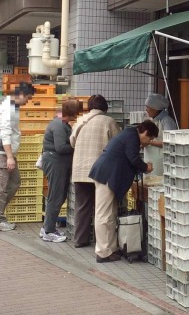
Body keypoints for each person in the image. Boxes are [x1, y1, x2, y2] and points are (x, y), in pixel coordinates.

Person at [88, 120, 158, 263]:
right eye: (149, 138)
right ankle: (102, 252)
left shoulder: (129, 134)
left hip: (108, 175)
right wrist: (146, 167)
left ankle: (111, 248)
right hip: (107, 176)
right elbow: (133, 158)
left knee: (111, 214)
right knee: (103, 215)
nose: (148, 142)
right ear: (144, 132)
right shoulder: (132, 136)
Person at [69, 95, 120, 248]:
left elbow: (71, 142)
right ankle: (102, 242)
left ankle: (80, 239)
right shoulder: (108, 121)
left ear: (89, 107)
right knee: (101, 208)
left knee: (82, 206)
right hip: (100, 171)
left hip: (79, 170)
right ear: (105, 107)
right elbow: (117, 143)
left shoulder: (80, 120)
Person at [0, 82, 35, 232]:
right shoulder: (8, 109)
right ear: (21, 95)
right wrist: (9, 157)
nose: (28, 101)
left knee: (14, 182)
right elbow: (5, 133)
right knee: (1, 187)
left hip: (6, 153)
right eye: (27, 97)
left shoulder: (11, 106)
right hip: (2, 153)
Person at [39, 98, 80, 243]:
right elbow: (61, 147)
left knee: (57, 195)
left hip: (58, 162)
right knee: (56, 196)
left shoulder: (61, 122)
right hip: (56, 162)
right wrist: (78, 146)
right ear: (72, 112)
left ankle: (47, 227)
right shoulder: (58, 125)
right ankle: (49, 231)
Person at [144, 93, 178, 177]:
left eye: (148, 107)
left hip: (161, 160)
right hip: (150, 159)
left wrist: (149, 142)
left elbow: (169, 142)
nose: (146, 109)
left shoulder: (167, 121)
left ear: (155, 108)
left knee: (157, 182)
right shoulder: (152, 120)